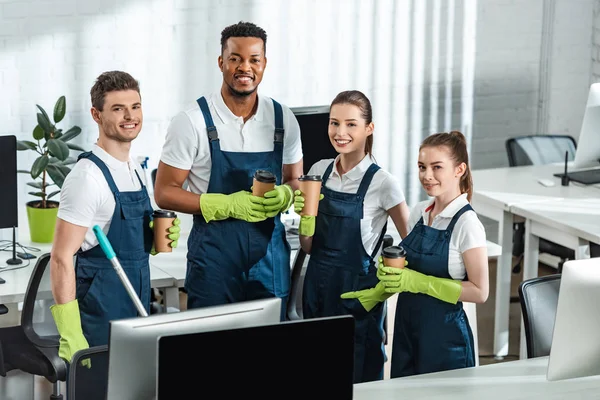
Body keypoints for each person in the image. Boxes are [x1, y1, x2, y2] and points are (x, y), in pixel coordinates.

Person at [154, 21, 303, 321]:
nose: (244, 67)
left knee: (272, 353)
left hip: (270, 260)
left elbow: (295, 180)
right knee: (211, 355)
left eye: (253, 59)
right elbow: (163, 192)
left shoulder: (282, 119)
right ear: (221, 62)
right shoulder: (191, 122)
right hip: (213, 263)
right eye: (235, 58)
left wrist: (287, 194)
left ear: (264, 64)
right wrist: (221, 204)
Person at [49, 71, 181, 363]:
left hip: (135, 300)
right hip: (99, 311)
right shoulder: (87, 177)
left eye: (135, 106)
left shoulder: (135, 168)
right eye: (118, 109)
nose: (129, 116)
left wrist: (153, 239)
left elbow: (127, 243)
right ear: (96, 114)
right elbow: (60, 258)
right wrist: (71, 333)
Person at [342, 130, 489, 378]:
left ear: (459, 170)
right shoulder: (420, 212)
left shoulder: (467, 223)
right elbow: (407, 270)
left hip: (444, 338)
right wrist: (381, 289)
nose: (427, 176)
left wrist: (420, 283)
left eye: (437, 167)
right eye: (422, 167)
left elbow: (480, 291)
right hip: (407, 328)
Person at [293, 90, 410, 383]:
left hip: (357, 294)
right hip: (317, 289)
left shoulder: (384, 183)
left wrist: (381, 291)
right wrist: (306, 219)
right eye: (334, 123)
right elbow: (308, 246)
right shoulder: (319, 171)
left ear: (369, 129)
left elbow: (411, 244)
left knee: (358, 377)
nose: (340, 132)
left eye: (351, 124)